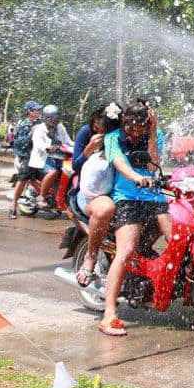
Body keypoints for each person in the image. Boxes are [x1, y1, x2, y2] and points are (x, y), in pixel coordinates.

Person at [99, 99, 171, 336]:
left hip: (154, 198)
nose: (135, 133)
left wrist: (152, 132)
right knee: (127, 250)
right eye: (132, 128)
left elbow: (154, 165)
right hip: (127, 199)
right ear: (124, 122)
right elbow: (121, 164)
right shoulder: (112, 138)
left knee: (178, 238)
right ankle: (109, 313)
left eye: (142, 127)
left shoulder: (154, 134)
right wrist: (134, 177)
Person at [73, 102, 122, 288]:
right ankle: (90, 257)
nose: (97, 133)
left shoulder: (120, 139)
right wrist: (88, 151)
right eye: (95, 128)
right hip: (92, 194)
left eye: (101, 131)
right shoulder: (86, 133)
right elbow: (76, 167)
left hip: (118, 192)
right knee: (105, 209)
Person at [31, 104, 73, 210]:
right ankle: (41, 196)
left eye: (55, 118)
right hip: (44, 157)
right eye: (51, 118)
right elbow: (38, 144)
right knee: (53, 172)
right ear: (45, 118)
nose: (53, 121)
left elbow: (67, 140)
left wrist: (78, 146)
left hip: (58, 155)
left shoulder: (60, 126)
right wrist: (47, 147)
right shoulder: (40, 129)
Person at [9, 101, 42, 219]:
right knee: (23, 179)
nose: (38, 112)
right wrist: (32, 132)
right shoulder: (23, 124)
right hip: (26, 155)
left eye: (39, 110)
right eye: (36, 110)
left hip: (39, 154)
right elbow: (20, 142)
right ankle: (13, 204)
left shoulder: (40, 122)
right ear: (29, 112)